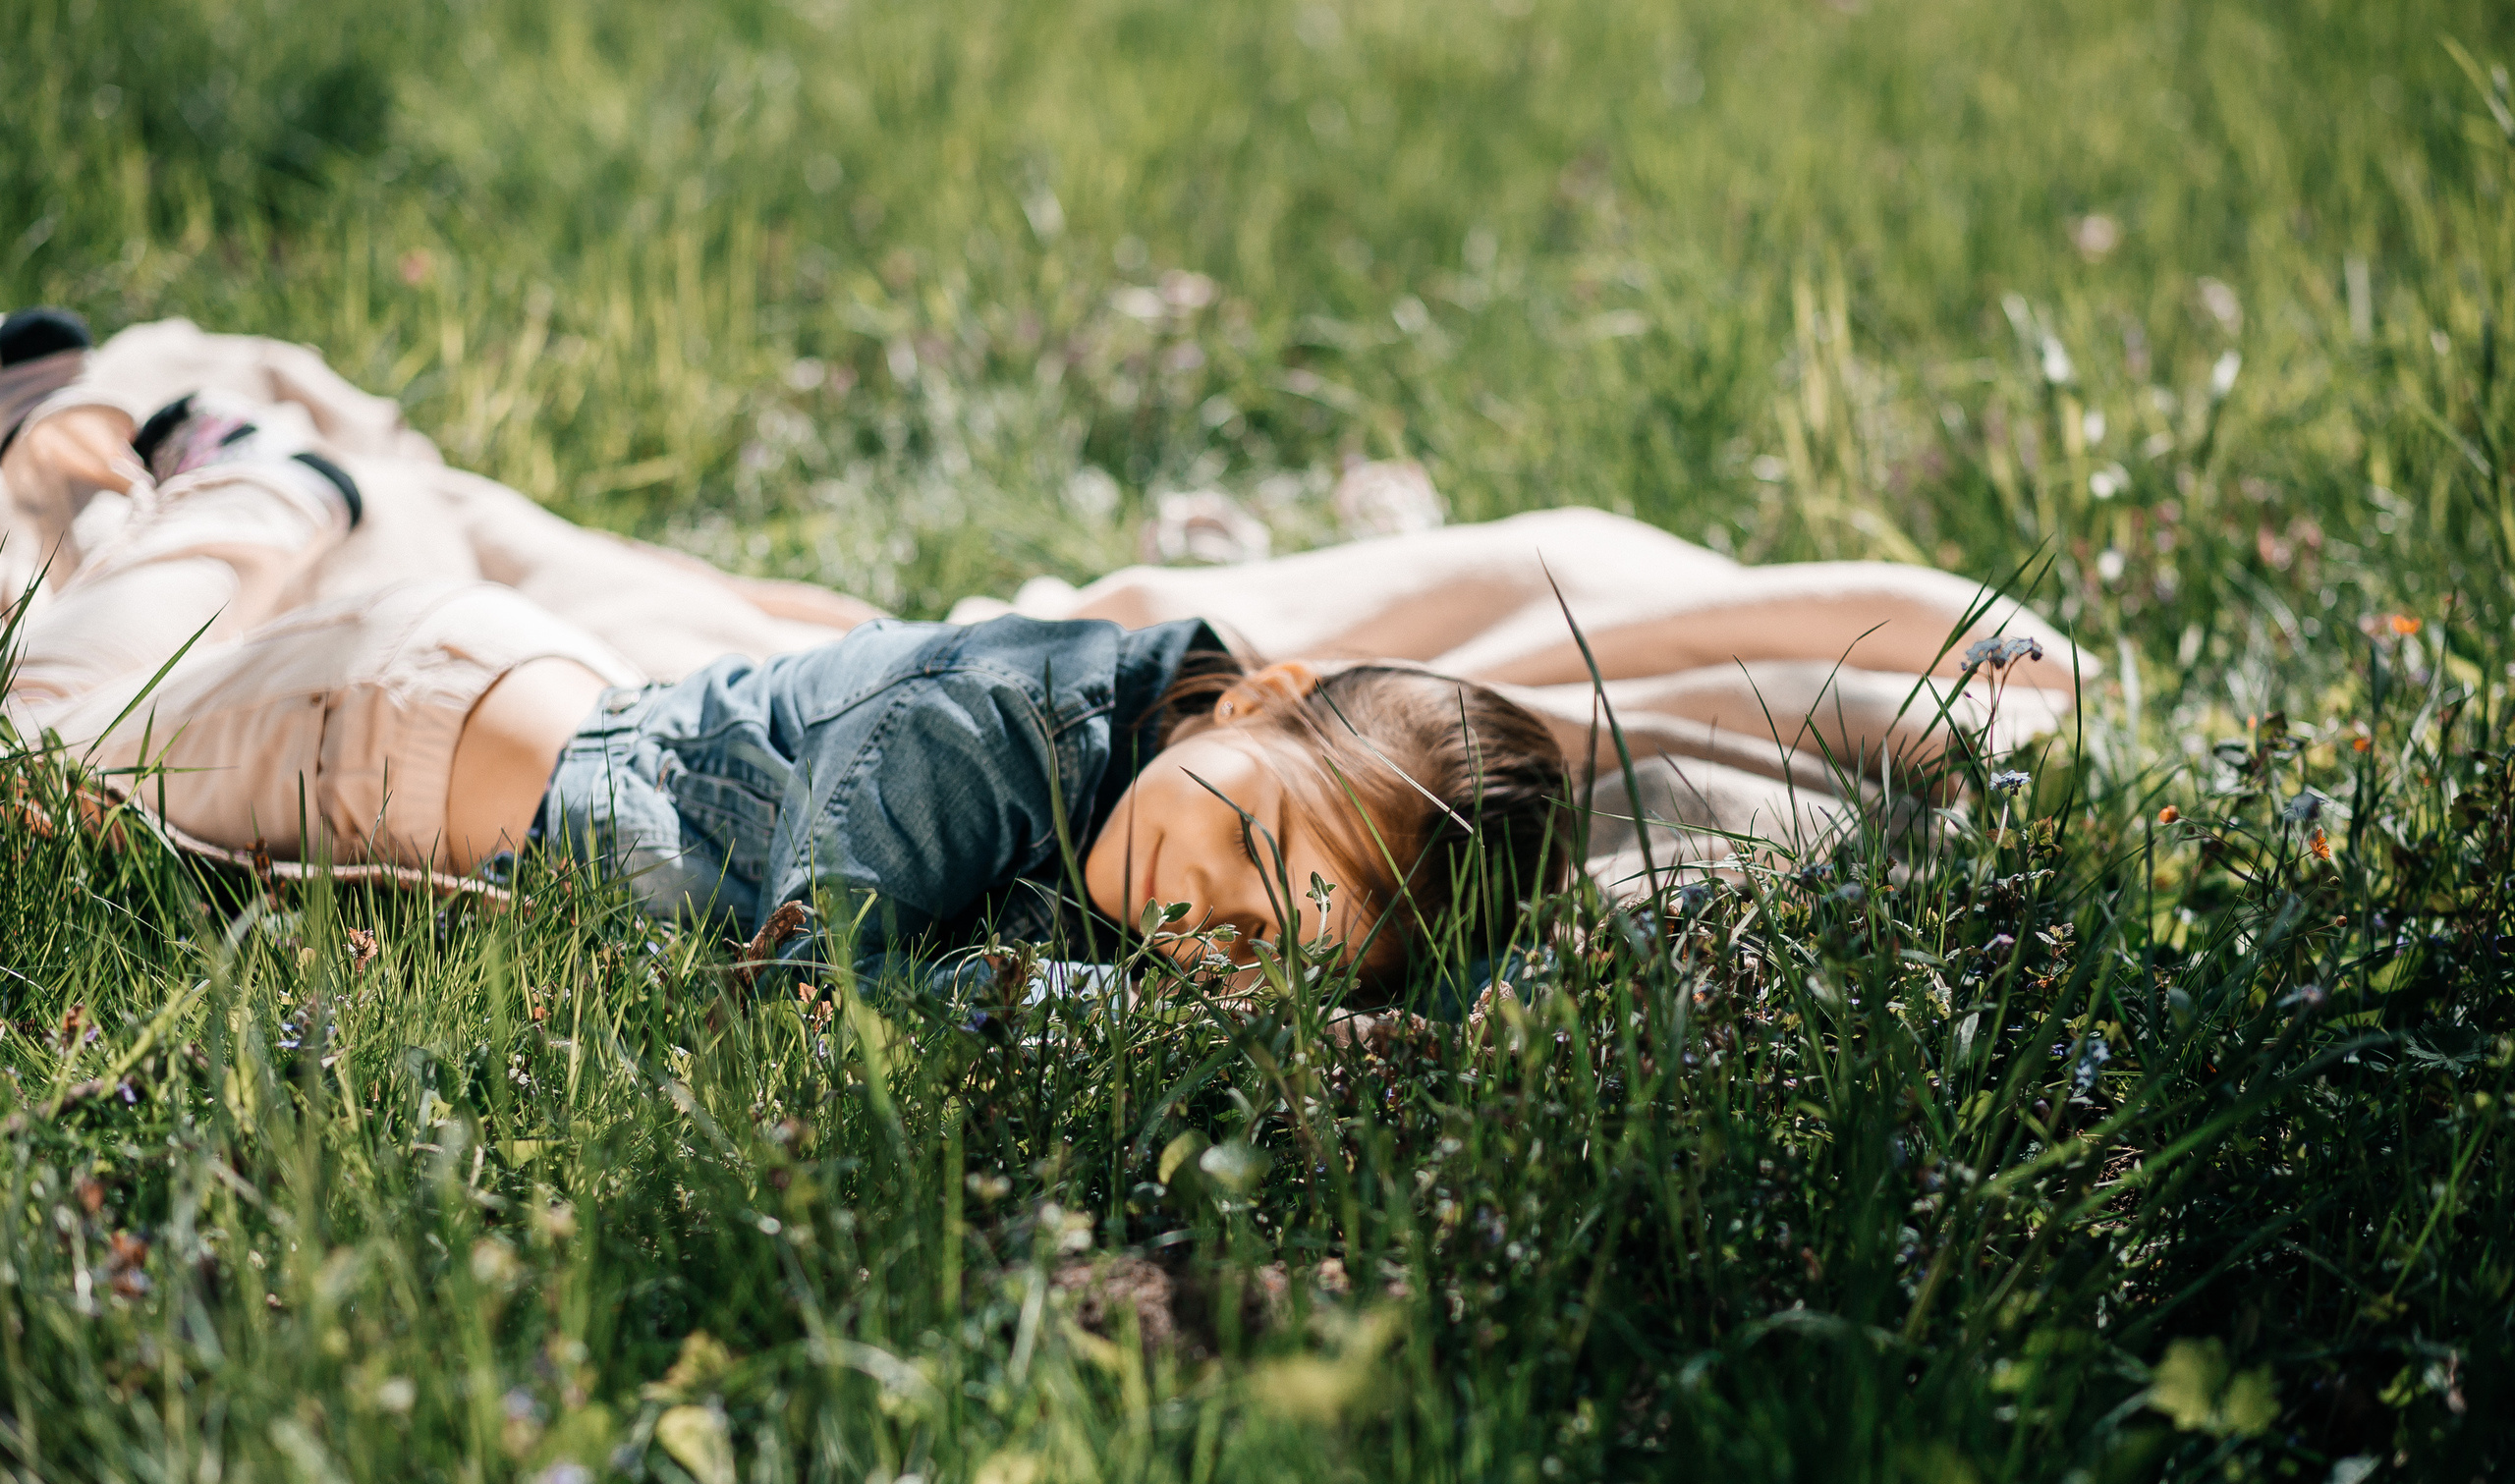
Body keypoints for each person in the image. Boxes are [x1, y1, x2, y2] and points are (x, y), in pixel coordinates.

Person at [3, 306, 2078, 986]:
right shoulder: (985, 739)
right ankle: (244, 466)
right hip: (407, 706)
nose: (1226, 919)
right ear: (1246, 703)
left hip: (489, 710)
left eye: (1296, 940)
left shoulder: (1127, 819)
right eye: (1264, 843)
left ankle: (251, 489)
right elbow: (833, 961)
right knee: (52, 763)